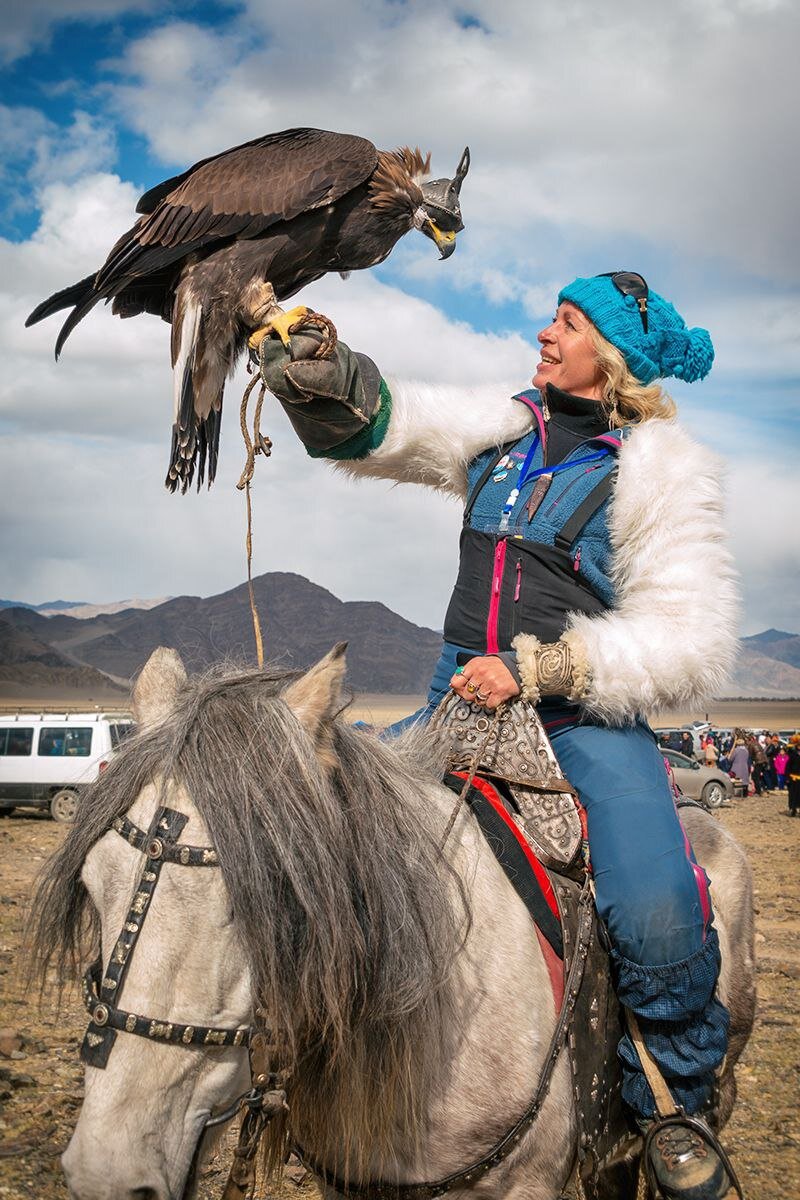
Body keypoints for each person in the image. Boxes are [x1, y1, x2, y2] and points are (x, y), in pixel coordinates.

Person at [257, 271, 739, 1199]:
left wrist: (539, 670)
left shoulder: (658, 469)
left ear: (614, 357)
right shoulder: (503, 429)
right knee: (318, 832)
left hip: (578, 713)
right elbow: (387, 426)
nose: (546, 333)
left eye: (567, 323)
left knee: (653, 901)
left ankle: (673, 1110)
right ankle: (280, 1061)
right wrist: (307, 357)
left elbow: (689, 638)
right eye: (554, 317)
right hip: (453, 699)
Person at [786, 734, 800, 817]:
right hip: (793, 777)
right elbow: (788, 766)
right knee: (793, 794)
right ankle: (793, 809)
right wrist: (787, 777)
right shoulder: (792, 754)